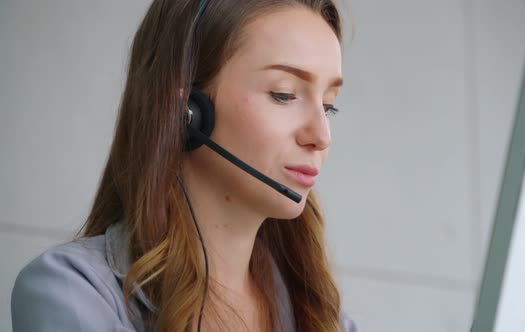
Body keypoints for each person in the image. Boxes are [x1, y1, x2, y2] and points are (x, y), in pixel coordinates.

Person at [11, 0, 358, 331]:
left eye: (329, 106)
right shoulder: (75, 292)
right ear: (188, 114)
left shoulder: (321, 314)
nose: (321, 135)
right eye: (284, 94)